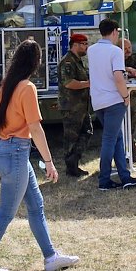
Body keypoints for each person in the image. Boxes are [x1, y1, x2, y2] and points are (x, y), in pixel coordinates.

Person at [0, 39, 79, 271]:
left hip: (7, 152)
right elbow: (36, 128)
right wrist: (49, 162)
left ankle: (51, 256)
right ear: (35, 62)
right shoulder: (27, 88)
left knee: (36, 205)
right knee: (6, 213)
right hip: (16, 153)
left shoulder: (5, 86)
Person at [88, 19, 136, 191]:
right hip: (113, 100)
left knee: (117, 138)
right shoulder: (115, 51)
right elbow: (118, 78)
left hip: (97, 100)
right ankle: (104, 180)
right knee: (110, 139)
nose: (118, 34)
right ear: (113, 32)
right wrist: (125, 96)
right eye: (117, 32)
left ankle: (125, 177)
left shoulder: (91, 50)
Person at [58, 33, 93, 177]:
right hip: (71, 107)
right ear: (76, 45)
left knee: (87, 132)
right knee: (71, 138)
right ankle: (71, 167)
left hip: (81, 107)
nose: (86, 47)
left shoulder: (78, 61)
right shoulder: (68, 62)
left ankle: (74, 162)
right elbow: (69, 82)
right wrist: (90, 83)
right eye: (84, 44)